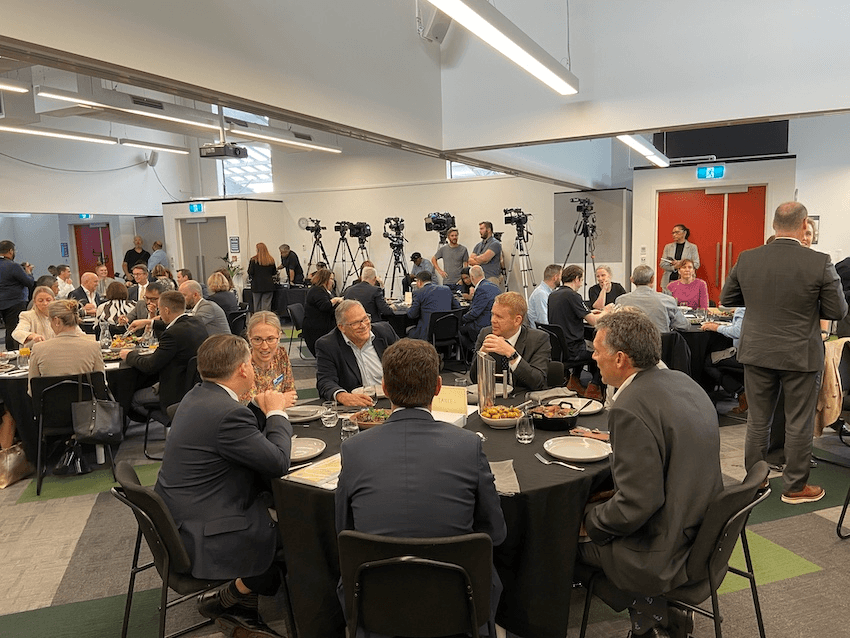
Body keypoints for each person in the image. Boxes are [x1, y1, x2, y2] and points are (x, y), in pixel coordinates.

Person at [335, 338, 506, 629]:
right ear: (438, 387)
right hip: (458, 605)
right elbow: (496, 532)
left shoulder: (354, 449)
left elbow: (342, 529)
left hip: (374, 604)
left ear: (385, 389)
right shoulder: (468, 446)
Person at [579, 309, 723, 638]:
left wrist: (590, 522)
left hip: (664, 551)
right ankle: (659, 612)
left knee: (559, 538)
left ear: (619, 359)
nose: (593, 356)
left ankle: (649, 614)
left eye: (597, 350)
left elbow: (638, 504)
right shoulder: (683, 381)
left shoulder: (630, 406)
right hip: (702, 535)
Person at [154, 334, 292, 638]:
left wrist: (257, 409)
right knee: (300, 531)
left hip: (181, 514)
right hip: (204, 531)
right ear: (243, 370)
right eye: (251, 365)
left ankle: (239, 608)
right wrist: (276, 412)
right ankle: (229, 598)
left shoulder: (198, 396)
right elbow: (279, 462)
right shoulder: (228, 413)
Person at [720, 202, 847, 504]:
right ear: (805, 224)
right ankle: (794, 487)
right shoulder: (819, 261)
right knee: (798, 422)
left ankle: (754, 482)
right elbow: (838, 309)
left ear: (773, 225)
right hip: (800, 355)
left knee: (758, 421)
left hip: (757, 351)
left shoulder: (747, 258)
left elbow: (727, 299)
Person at [120, 290, 209, 416]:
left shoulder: (171, 335)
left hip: (174, 392)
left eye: (159, 310)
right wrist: (148, 322)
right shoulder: (197, 322)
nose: (159, 314)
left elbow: (150, 366)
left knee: (132, 399)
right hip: (196, 385)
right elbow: (171, 324)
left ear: (166, 310)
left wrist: (129, 355)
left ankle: (171, 418)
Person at [315, 300, 399, 406]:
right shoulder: (328, 345)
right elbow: (325, 381)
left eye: (365, 318)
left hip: (392, 399)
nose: (363, 325)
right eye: (355, 323)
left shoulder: (385, 332)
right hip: (357, 404)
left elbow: (407, 360)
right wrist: (342, 396)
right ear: (341, 327)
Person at [469, 291, 550, 391]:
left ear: (517, 320)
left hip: (524, 399)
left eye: (499, 317)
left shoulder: (538, 339)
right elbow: (474, 380)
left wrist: (512, 354)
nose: (493, 320)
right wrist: (482, 355)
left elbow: (538, 382)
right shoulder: (486, 334)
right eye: (493, 314)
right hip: (495, 401)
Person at [547, 266, 606, 400]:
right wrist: (607, 312)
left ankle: (574, 381)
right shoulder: (573, 295)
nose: (581, 284)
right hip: (572, 351)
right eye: (581, 280)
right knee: (599, 355)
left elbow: (570, 314)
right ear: (576, 279)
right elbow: (594, 322)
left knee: (583, 345)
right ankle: (594, 388)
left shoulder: (553, 294)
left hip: (559, 350)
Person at [28, 299, 104, 393]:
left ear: (56, 321)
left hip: (51, 405)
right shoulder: (94, 347)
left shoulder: (38, 349)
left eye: (49, 321)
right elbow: (101, 385)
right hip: (86, 405)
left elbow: (32, 390)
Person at [238, 311, 298, 405]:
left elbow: (291, 394)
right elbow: (248, 406)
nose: (265, 346)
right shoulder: (243, 365)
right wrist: (281, 401)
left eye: (270, 339)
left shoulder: (281, 354)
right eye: (257, 339)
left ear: (279, 337)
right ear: (249, 337)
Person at [616, 265, 689, 334]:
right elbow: (683, 325)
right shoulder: (667, 300)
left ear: (632, 280)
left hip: (630, 345)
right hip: (660, 345)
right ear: (652, 279)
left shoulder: (621, 301)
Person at [701, 307, 747, 414]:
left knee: (708, 361)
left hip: (742, 354)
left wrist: (716, 327)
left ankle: (740, 392)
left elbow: (737, 332)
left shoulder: (742, 308)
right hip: (760, 355)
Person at [406, 270, 459, 341]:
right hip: (448, 332)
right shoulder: (446, 289)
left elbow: (412, 315)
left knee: (408, 331)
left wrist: (407, 308)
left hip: (427, 334)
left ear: (419, 282)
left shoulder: (418, 293)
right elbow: (457, 307)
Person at [0, 240, 34, 350]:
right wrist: (28, 272)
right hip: (14, 302)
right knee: (13, 330)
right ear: (10, 251)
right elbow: (28, 283)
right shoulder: (13, 266)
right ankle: (13, 354)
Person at [302, 269, 343, 356]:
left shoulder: (322, 291)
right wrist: (335, 300)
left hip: (320, 322)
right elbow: (325, 306)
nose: (333, 282)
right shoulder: (317, 291)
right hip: (316, 326)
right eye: (331, 279)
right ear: (325, 280)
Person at [460, 265, 499, 352]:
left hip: (482, 325)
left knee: (458, 330)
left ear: (472, 277)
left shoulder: (481, 289)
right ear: (483, 274)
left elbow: (475, 313)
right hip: (493, 322)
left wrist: (461, 319)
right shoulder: (493, 285)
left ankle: (473, 351)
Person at [659, 224, 700, 292]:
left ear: (684, 233)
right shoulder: (668, 247)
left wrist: (682, 264)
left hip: (686, 281)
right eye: (673, 233)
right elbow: (662, 264)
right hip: (669, 280)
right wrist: (674, 267)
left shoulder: (692, 247)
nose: (674, 235)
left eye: (677, 232)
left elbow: (696, 264)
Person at [247, 242, 278, 312]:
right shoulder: (271, 260)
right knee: (266, 306)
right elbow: (274, 272)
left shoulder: (253, 260)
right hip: (269, 286)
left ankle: (258, 321)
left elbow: (250, 272)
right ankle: (266, 321)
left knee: (257, 306)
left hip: (257, 286)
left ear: (257, 250)